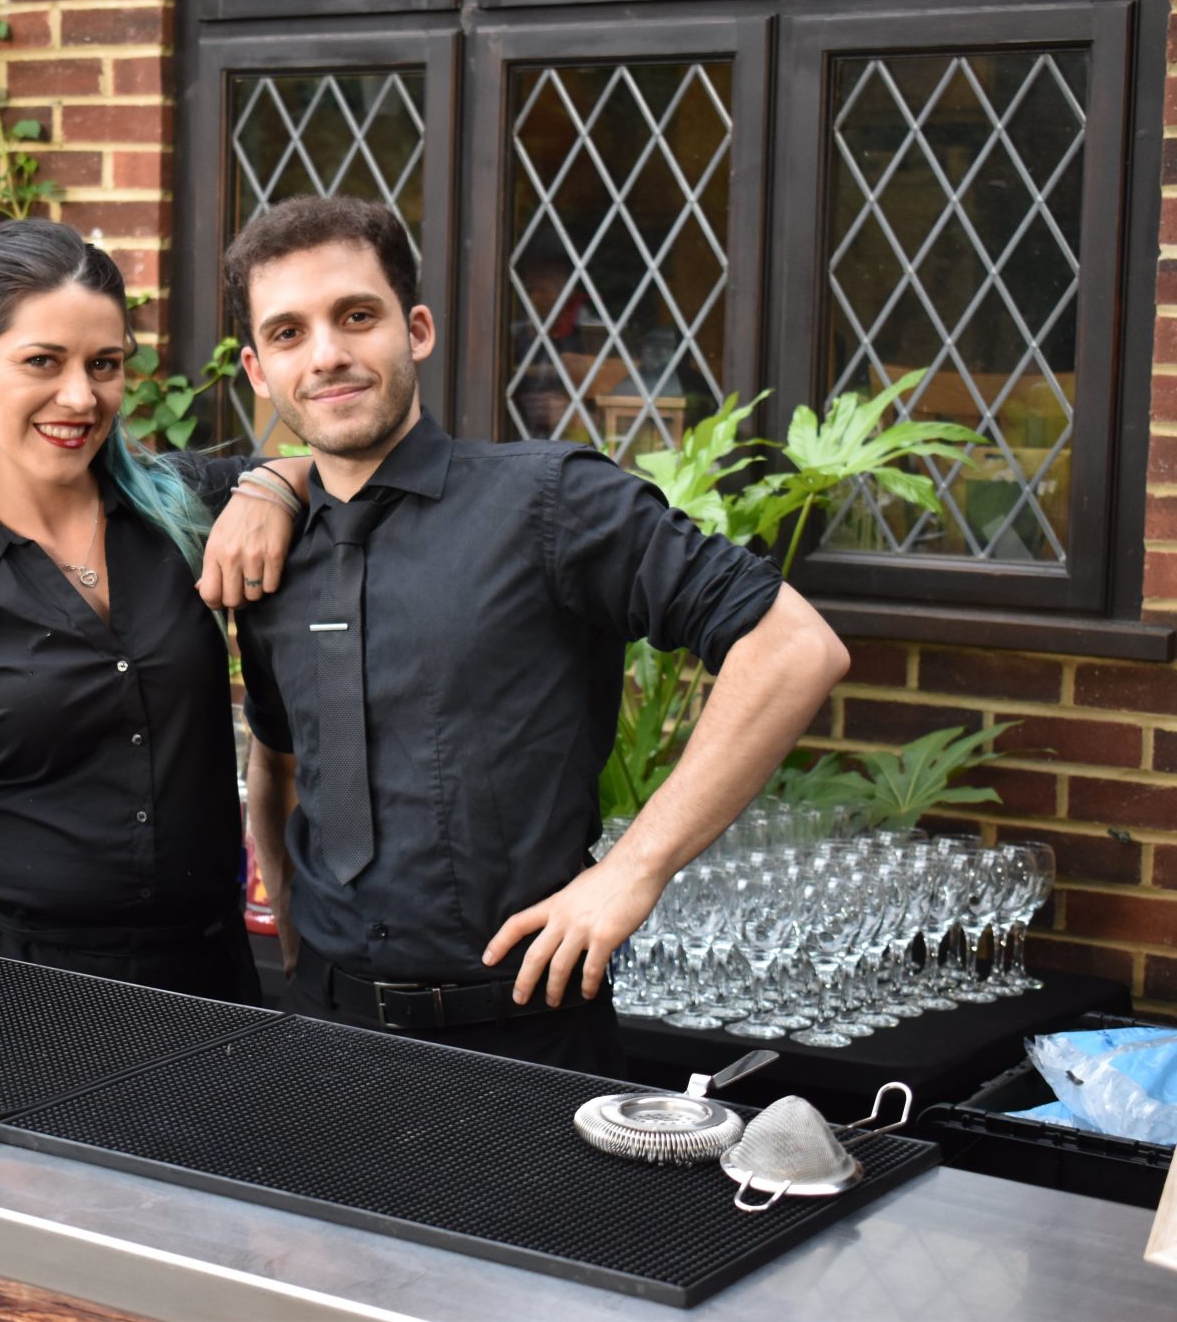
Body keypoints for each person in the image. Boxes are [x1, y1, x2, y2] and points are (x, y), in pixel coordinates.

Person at [229, 196, 849, 1076]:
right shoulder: (265, 548)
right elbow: (281, 757)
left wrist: (634, 869)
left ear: (416, 330)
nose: (326, 353)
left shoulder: (553, 501)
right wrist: (291, 920)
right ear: (259, 370)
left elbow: (793, 647)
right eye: (289, 333)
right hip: (320, 1031)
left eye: (356, 316)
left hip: (526, 1039)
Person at [0, 219, 307, 1004]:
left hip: (207, 981)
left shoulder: (185, 512)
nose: (81, 397)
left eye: (104, 364)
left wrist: (272, 484)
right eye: (43, 361)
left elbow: (334, 469)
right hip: (15, 997)